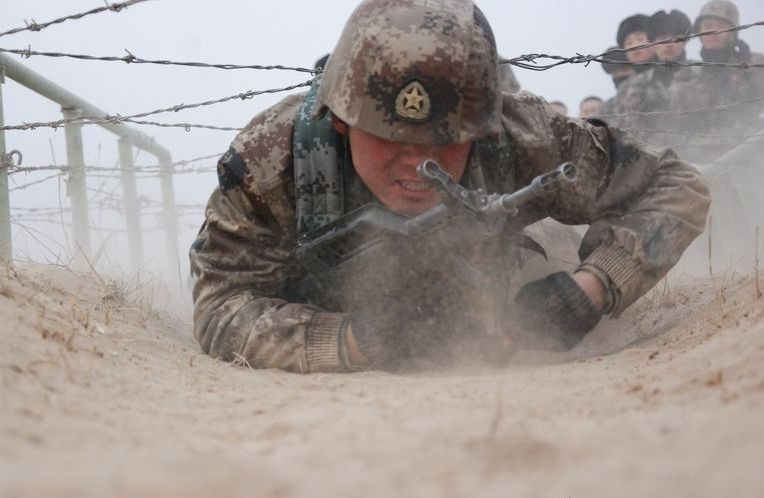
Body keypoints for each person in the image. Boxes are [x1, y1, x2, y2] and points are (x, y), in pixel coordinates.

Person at [190, 0, 710, 373]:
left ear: (481, 128)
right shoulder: (273, 164)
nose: (419, 164)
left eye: (446, 141)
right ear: (342, 122)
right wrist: (353, 340)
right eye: (390, 139)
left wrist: (591, 288)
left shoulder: (518, 134)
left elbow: (674, 185)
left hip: (500, 267)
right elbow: (221, 305)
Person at [670, 0, 764, 163]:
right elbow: (681, 121)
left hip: (750, 160)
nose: (713, 31)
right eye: (707, 26)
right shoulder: (686, 75)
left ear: (733, 32)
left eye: (720, 26)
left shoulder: (754, 64)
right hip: (701, 163)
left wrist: (748, 71)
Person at [613, 10, 692, 146]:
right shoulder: (629, 87)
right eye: (662, 38)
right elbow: (623, 133)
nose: (669, 43)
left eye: (639, 39)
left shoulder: (703, 74)